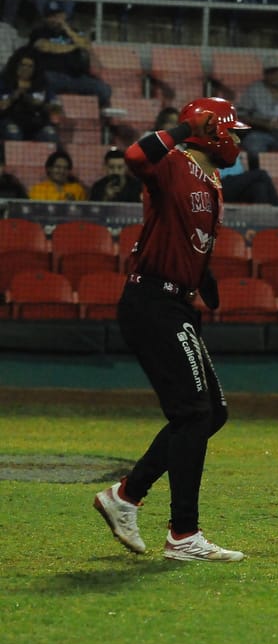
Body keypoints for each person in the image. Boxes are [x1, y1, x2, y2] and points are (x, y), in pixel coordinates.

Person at [91, 96, 247, 562]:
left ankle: (126, 495)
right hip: (152, 302)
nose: (238, 139)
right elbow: (134, 156)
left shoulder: (211, 178)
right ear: (211, 129)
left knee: (210, 414)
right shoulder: (172, 161)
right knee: (194, 414)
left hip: (175, 302)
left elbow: (185, 236)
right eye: (232, 130)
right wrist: (183, 129)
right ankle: (183, 534)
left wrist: (203, 277)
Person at [28, 2, 112, 107]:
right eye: (51, 17)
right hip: (53, 76)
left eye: (58, 15)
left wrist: (67, 29)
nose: (56, 19)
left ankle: (102, 119)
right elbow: (46, 47)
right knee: (42, 82)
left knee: (103, 89)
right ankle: (51, 113)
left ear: (65, 16)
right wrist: (75, 47)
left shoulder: (74, 32)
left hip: (77, 77)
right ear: (44, 19)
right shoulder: (39, 32)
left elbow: (87, 47)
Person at [0, 47, 59, 143]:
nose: (25, 69)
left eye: (30, 66)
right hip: (11, 121)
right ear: (16, 65)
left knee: (50, 135)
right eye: (22, 65)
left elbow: (57, 109)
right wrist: (14, 96)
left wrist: (42, 105)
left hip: (37, 123)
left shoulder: (42, 84)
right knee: (13, 133)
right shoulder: (4, 81)